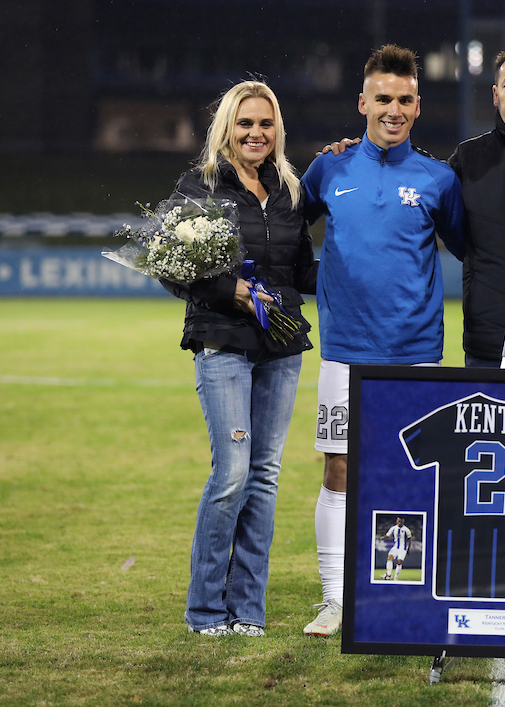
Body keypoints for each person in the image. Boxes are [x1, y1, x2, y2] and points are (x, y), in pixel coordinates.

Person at [299, 44, 465, 636]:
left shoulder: (439, 180)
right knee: (339, 470)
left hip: (416, 353)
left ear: (418, 106)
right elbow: (288, 231)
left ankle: (399, 595)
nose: (393, 109)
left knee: (409, 474)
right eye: (383, 98)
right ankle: (337, 599)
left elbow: (475, 253)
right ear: (362, 102)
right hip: (345, 351)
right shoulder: (329, 169)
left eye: (404, 99)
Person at [323, 42, 505, 368]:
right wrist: (357, 152)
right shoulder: (467, 160)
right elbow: (451, 231)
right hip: (487, 350)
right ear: (495, 95)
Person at [162, 81, 317, 637]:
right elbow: (170, 265)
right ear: (226, 127)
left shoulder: (290, 190)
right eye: (245, 123)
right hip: (222, 342)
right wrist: (233, 293)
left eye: (266, 124)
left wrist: (361, 273)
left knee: (265, 477)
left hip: (280, 348)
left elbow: (301, 272)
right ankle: (205, 611)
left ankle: (247, 609)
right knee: (231, 474)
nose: (256, 133)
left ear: (278, 130)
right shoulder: (199, 186)